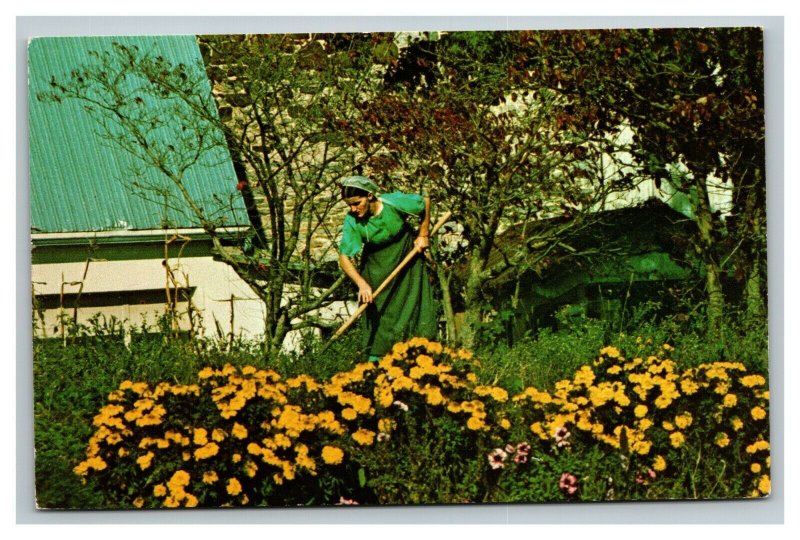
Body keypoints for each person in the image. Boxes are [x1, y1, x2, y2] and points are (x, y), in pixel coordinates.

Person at [337, 175, 438, 361]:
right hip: (376, 270)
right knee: (380, 319)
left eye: (356, 203)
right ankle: (376, 367)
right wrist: (362, 284)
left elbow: (424, 201)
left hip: (408, 264)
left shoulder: (393, 203)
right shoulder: (352, 220)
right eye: (349, 205)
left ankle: (420, 360)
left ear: (369, 196)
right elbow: (344, 258)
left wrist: (423, 234)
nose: (353, 209)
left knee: (415, 310)